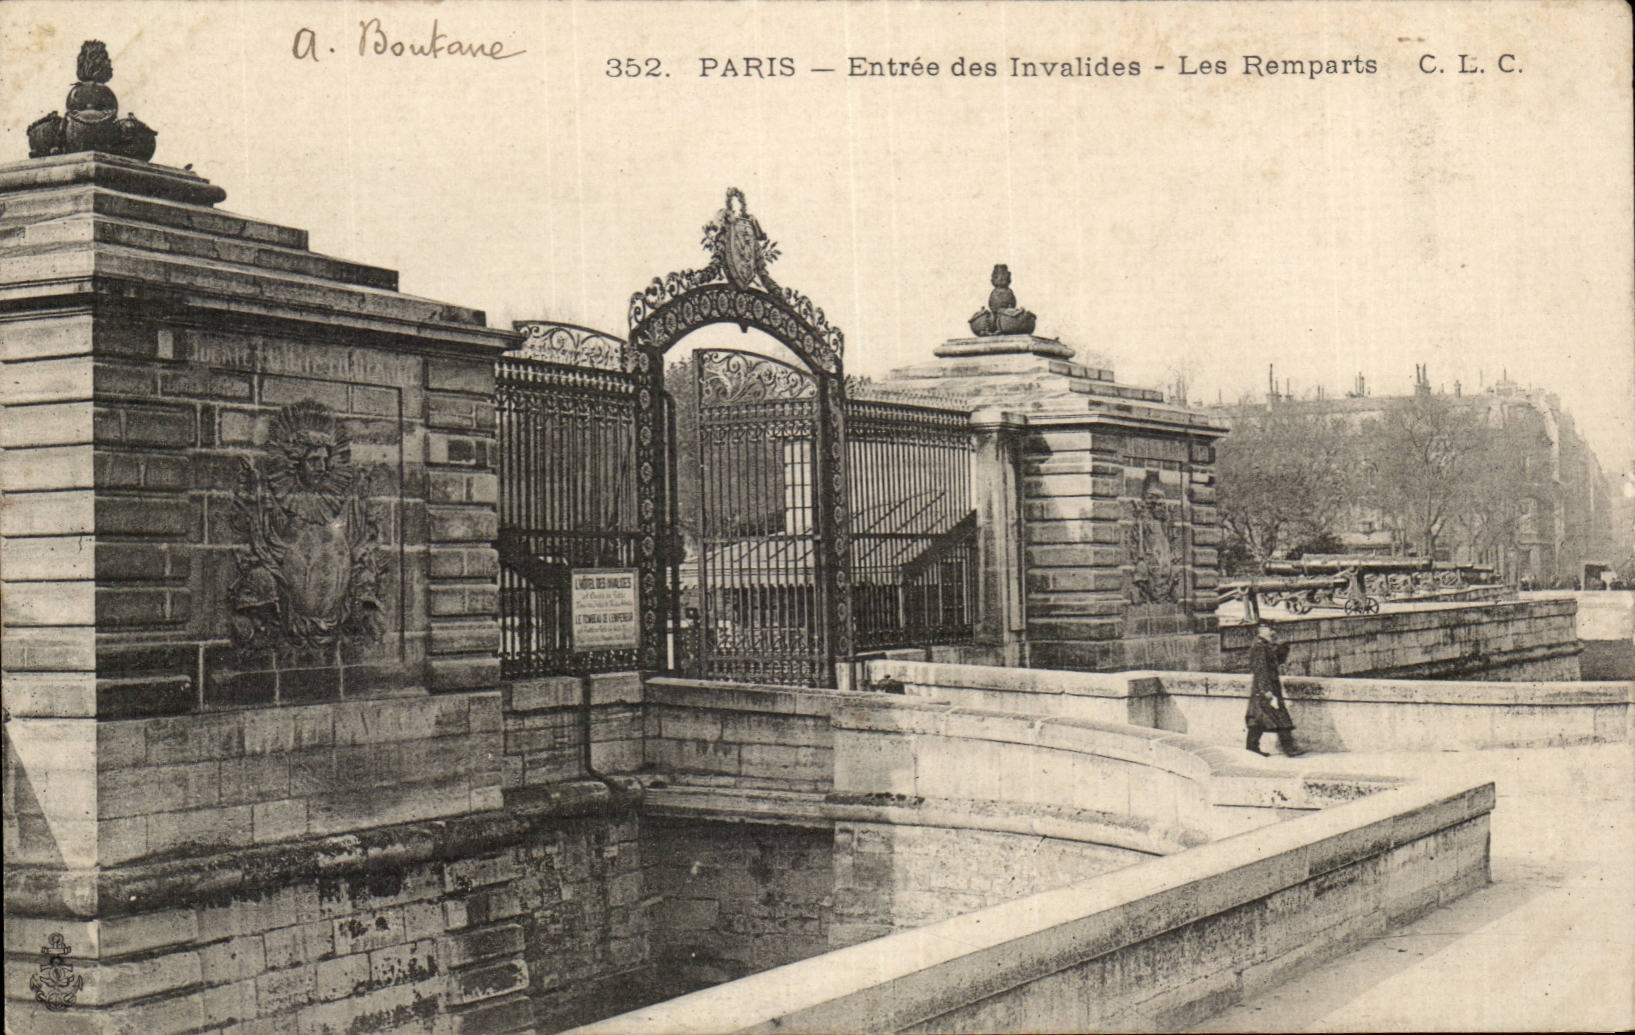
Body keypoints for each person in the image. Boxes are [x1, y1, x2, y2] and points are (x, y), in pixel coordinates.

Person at [1246, 621, 1303, 757]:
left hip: (1263, 688)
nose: (1272, 631)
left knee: (1258, 718)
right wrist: (1266, 690)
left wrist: (1282, 646)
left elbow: (1277, 661)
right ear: (1261, 630)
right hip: (1266, 688)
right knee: (1280, 717)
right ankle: (1289, 748)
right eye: (1269, 629)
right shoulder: (1260, 647)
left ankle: (1252, 746)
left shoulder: (1265, 645)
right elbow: (1261, 669)